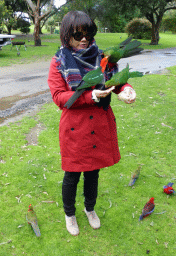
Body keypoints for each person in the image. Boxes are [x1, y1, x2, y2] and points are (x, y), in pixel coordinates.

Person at [48, 10, 136, 236]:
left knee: (93, 172)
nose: (84, 38)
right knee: (72, 174)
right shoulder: (59, 61)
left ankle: (90, 209)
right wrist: (91, 96)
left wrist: (126, 90)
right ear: (66, 35)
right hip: (75, 128)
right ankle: (69, 214)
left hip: (99, 125)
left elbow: (117, 83)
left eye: (88, 32)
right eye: (78, 35)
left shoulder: (103, 57)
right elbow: (59, 97)